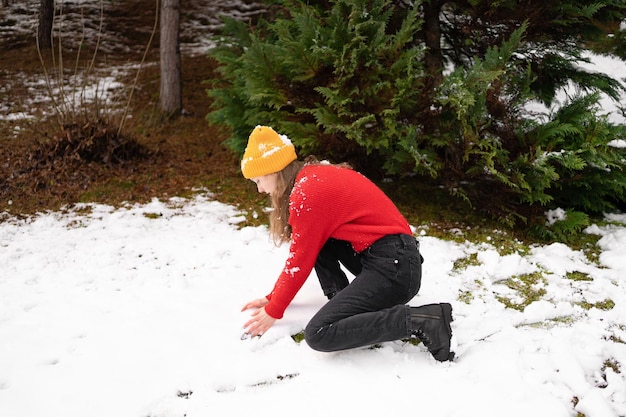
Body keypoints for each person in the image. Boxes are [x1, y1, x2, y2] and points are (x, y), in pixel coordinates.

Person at [240, 125, 455, 362]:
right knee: (318, 240)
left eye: (258, 180)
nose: (259, 189)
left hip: (396, 270)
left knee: (318, 334)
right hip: (393, 258)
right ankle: (343, 302)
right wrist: (274, 297)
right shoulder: (313, 176)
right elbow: (308, 248)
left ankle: (425, 319)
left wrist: (274, 309)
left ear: (273, 172)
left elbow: (300, 259)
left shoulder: (307, 192)